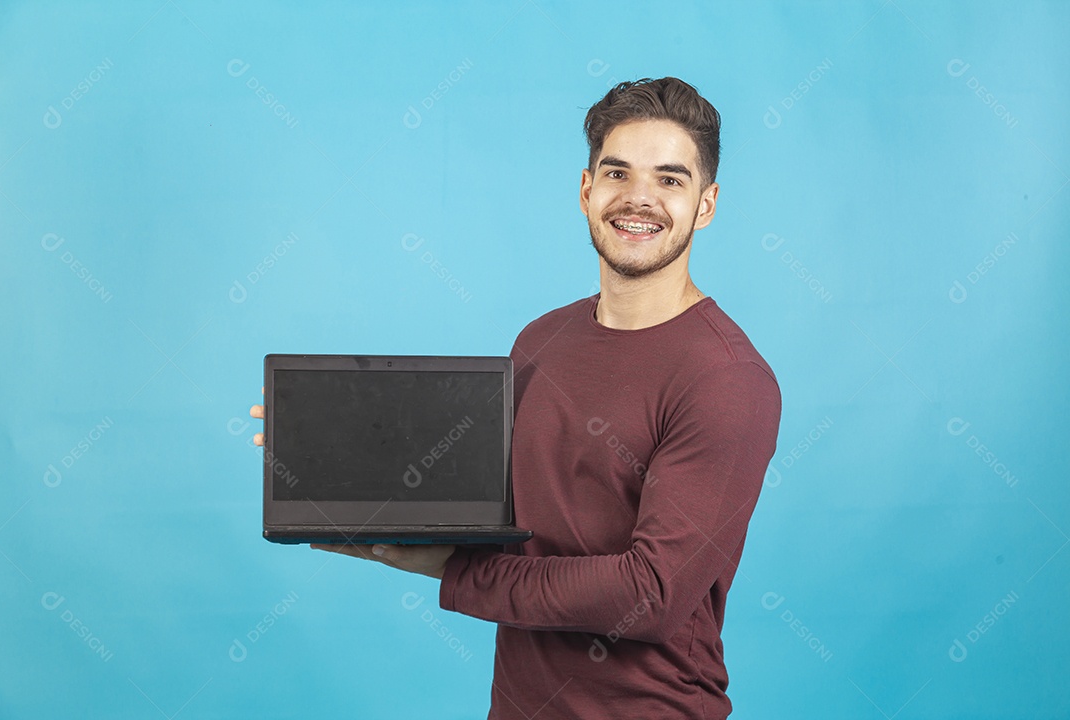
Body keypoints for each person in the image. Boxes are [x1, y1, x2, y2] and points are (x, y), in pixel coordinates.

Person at [250, 77, 781, 719]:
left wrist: (450, 571)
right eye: (617, 172)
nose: (639, 198)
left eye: (670, 179)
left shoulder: (726, 379)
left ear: (706, 205)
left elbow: (651, 594)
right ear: (586, 191)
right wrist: (329, 447)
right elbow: (498, 510)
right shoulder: (542, 340)